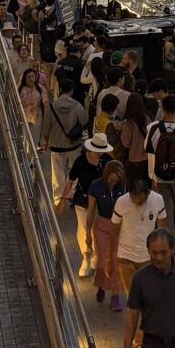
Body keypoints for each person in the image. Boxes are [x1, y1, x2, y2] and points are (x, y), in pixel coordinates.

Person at [109, 179, 167, 348]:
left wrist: (164, 257)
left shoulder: (157, 200)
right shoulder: (122, 202)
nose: (135, 202)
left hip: (148, 259)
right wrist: (111, 259)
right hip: (125, 257)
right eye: (133, 198)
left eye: (139, 200)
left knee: (147, 301)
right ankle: (140, 344)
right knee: (136, 301)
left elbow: (162, 231)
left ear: (147, 194)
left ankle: (144, 339)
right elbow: (114, 231)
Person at [57, 133, 113, 279]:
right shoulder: (81, 161)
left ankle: (95, 256)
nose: (100, 154)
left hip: (101, 204)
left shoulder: (107, 162)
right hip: (82, 201)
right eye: (98, 151)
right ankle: (85, 258)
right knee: (83, 229)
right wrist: (62, 199)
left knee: (96, 230)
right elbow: (70, 181)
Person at [86, 159, 127, 310]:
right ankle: (102, 286)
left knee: (116, 262)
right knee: (103, 260)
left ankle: (115, 297)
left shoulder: (122, 186)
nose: (113, 180)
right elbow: (91, 211)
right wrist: (88, 234)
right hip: (101, 227)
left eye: (116, 178)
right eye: (111, 177)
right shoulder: (96, 186)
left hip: (118, 228)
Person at [147, 95, 175, 233]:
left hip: (159, 176)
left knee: (164, 211)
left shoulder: (153, 128)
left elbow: (149, 150)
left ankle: (167, 241)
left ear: (163, 109)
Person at [40, 77, 88, 200]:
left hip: (56, 144)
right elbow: (83, 121)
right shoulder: (77, 106)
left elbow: (46, 127)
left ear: (60, 89)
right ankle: (71, 193)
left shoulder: (52, 107)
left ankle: (58, 195)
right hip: (74, 144)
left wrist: (45, 140)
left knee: (57, 171)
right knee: (74, 169)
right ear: (72, 91)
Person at [120, 91, 151, 185]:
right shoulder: (148, 117)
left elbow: (126, 142)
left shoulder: (128, 122)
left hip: (135, 160)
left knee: (135, 187)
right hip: (148, 159)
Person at [18, 67, 49, 140]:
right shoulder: (21, 90)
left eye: (33, 76)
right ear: (25, 79)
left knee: (34, 138)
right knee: (25, 138)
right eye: (28, 77)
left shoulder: (41, 88)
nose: (31, 78)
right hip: (24, 117)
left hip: (37, 117)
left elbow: (45, 102)